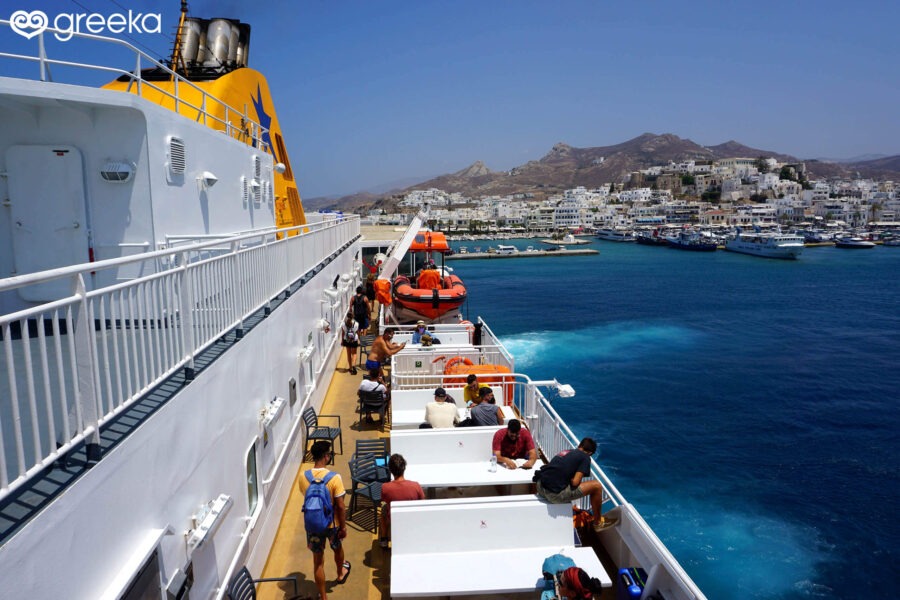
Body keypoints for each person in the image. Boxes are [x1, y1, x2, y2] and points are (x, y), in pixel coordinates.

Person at [299, 441, 350, 599]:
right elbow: (340, 507)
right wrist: (343, 527)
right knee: (337, 549)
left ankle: (323, 596)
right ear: (326, 456)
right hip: (331, 524)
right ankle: (340, 573)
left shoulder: (303, 477)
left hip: (313, 525)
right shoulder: (334, 478)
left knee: (318, 562)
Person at [533, 437, 615, 532]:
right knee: (596, 486)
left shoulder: (566, 452)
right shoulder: (585, 457)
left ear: (580, 445)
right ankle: (598, 523)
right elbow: (575, 482)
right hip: (552, 495)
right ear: (590, 453)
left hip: (540, 486)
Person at [378, 453, 425, 548]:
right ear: (404, 468)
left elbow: (383, 500)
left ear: (390, 470)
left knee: (383, 510)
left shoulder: (385, 487)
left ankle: (384, 539)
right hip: (412, 517)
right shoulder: (416, 486)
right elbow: (423, 501)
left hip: (394, 518)